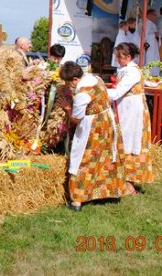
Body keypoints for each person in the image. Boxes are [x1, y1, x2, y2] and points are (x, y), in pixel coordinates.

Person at [58, 61, 124, 211]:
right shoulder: (97, 79)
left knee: (83, 160)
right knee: (105, 157)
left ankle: (77, 200)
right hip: (107, 122)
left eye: (69, 83)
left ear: (75, 79)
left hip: (93, 127)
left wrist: (68, 109)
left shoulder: (82, 93)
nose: (69, 86)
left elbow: (77, 119)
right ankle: (107, 192)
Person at [107, 43, 154, 195]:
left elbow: (118, 92)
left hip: (132, 112)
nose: (117, 59)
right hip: (126, 108)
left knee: (128, 142)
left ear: (128, 57)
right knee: (124, 140)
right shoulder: (125, 70)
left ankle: (128, 184)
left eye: (119, 57)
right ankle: (125, 181)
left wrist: (98, 89)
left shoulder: (132, 72)